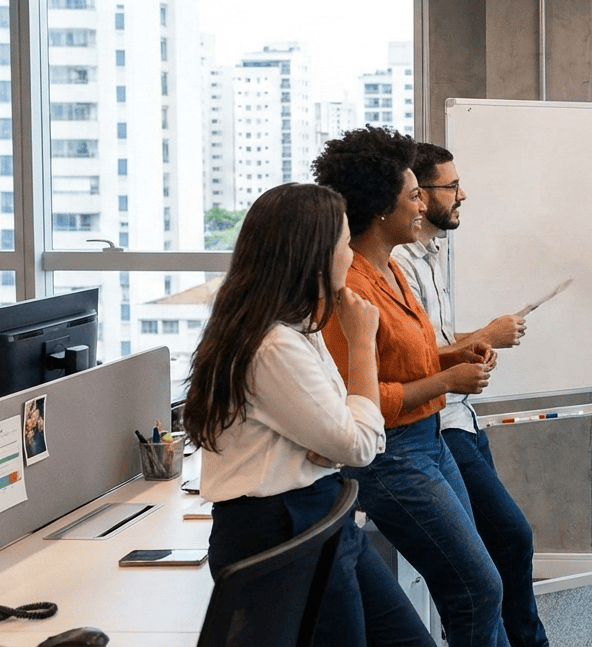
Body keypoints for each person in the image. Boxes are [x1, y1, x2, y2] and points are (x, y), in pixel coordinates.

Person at [182, 183, 434, 647]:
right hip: (281, 525)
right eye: (343, 243)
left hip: (320, 507)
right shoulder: (272, 344)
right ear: (314, 254)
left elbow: (348, 434)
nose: (351, 253)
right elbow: (359, 445)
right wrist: (361, 345)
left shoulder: (300, 325)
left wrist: (334, 442)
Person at [313, 126, 510, 647]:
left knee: (476, 587)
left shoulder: (391, 270)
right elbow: (363, 396)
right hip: (392, 455)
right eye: (413, 195)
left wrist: (454, 353)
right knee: (478, 588)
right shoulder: (348, 285)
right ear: (382, 208)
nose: (422, 205)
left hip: (428, 441)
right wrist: (449, 378)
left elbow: (408, 356)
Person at [391, 142, 549, 647]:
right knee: (504, 545)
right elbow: (416, 359)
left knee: (493, 556)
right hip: (434, 424)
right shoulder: (398, 262)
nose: (463, 195)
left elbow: (436, 343)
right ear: (416, 195)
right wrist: (486, 335)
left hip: (461, 416)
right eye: (449, 186)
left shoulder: (438, 249)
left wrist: (472, 348)